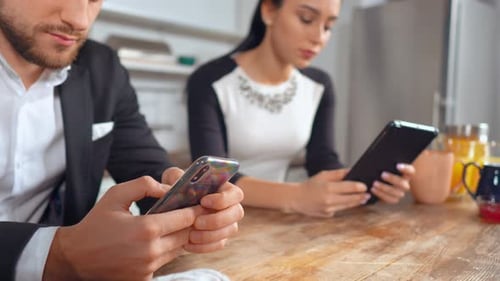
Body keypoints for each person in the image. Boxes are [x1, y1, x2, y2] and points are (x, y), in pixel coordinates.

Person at [0, 1, 244, 280]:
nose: (79, 20)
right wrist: (57, 251)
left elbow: (146, 165)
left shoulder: (102, 67)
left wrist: (191, 203)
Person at [187, 0, 415, 218]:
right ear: (268, 11)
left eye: (328, 26)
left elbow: (322, 161)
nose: (319, 38)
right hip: (222, 220)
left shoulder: (319, 85)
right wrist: (297, 196)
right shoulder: (209, 81)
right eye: (307, 19)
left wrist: (366, 184)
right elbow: (210, 178)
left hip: (283, 221)